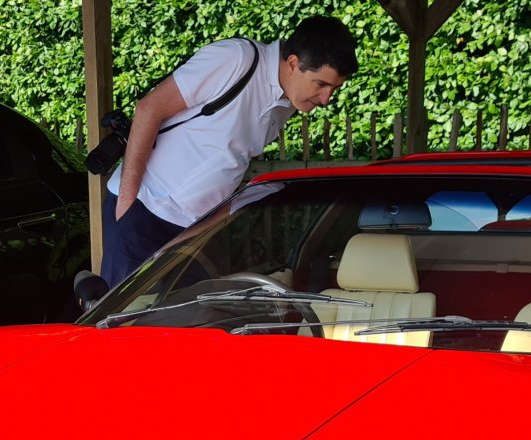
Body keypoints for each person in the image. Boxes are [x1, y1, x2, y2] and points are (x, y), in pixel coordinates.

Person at [101, 15, 358, 286]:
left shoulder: (288, 101)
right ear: (293, 64)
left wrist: (205, 227)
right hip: (143, 210)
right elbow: (149, 109)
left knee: (185, 323)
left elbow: (231, 161)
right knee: (122, 323)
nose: (327, 99)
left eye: (334, 89)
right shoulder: (236, 59)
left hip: (190, 230)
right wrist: (126, 208)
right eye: (321, 84)